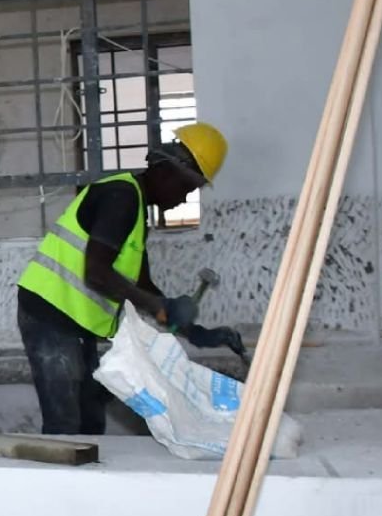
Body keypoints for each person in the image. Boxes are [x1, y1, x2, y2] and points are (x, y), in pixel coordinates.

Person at [14, 122, 231, 436]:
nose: (183, 199)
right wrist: (158, 303)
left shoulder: (136, 209)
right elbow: (97, 274)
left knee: (90, 419)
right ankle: (61, 484)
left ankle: (87, 481)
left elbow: (141, 286)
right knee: (65, 423)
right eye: (185, 188)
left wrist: (194, 330)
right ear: (165, 172)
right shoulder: (121, 196)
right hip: (49, 314)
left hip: (75, 322)